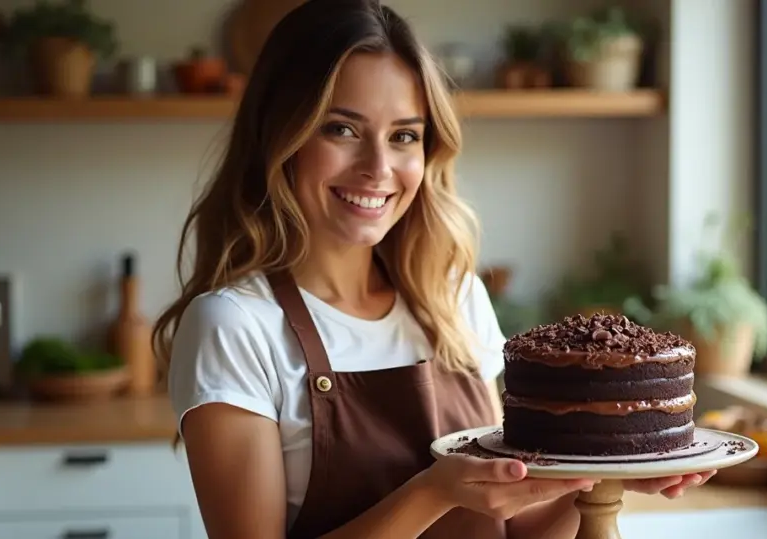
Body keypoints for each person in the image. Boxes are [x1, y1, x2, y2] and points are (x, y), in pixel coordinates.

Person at [153, 1, 716, 538]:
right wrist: (433, 493)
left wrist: (605, 475)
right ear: (279, 135)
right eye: (341, 128)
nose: (378, 168)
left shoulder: (453, 297)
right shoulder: (234, 326)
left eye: (404, 136)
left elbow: (511, 530)